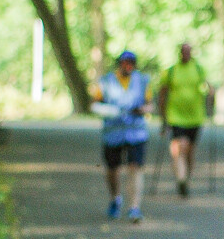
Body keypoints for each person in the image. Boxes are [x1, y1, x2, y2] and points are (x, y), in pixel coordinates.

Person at [90, 50, 153, 223]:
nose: (128, 66)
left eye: (131, 63)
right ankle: (115, 198)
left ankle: (134, 207)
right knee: (113, 169)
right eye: (125, 63)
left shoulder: (141, 81)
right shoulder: (106, 81)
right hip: (113, 134)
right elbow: (94, 105)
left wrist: (143, 110)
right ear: (120, 64)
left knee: (135, 167)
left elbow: (150, 105)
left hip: (136, 133)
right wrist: (109, 111)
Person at [156, 42, 214, 198]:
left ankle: (186, 178)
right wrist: (163, 116)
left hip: (195, 117)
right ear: (180, 53)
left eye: (188, 51)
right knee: (179, 147)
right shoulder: (171, 71)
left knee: (190, 150)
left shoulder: (198, 69)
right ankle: (181, 179)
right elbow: (162, 94)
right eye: (183, 51)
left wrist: (211, 98)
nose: (186, 54)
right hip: (175, 116)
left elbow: (209, 87)